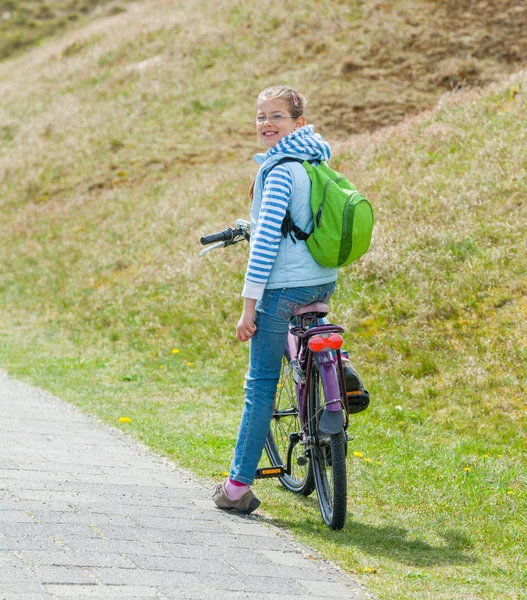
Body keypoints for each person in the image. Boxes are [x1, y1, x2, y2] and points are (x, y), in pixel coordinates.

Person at [212, 86, 338, 514]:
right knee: (303, 346)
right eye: (261, 116)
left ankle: (236, 488)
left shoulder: (279, 168)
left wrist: (249, 306)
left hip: (284, 289)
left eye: (277, 116)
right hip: (322, 282)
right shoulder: (315, 159)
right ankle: (338, 376)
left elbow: (265, 241)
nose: (267, 124)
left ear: (298, 122)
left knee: (260, 385)